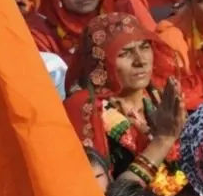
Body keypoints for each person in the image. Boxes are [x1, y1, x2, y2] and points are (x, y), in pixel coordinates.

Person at [64, 12, 186, 185]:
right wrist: (163, 139)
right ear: (101, 62)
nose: (140, 60)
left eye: (144, 47)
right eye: (124, 53)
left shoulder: (156, 96)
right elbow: (101, 193)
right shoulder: (85, 108)